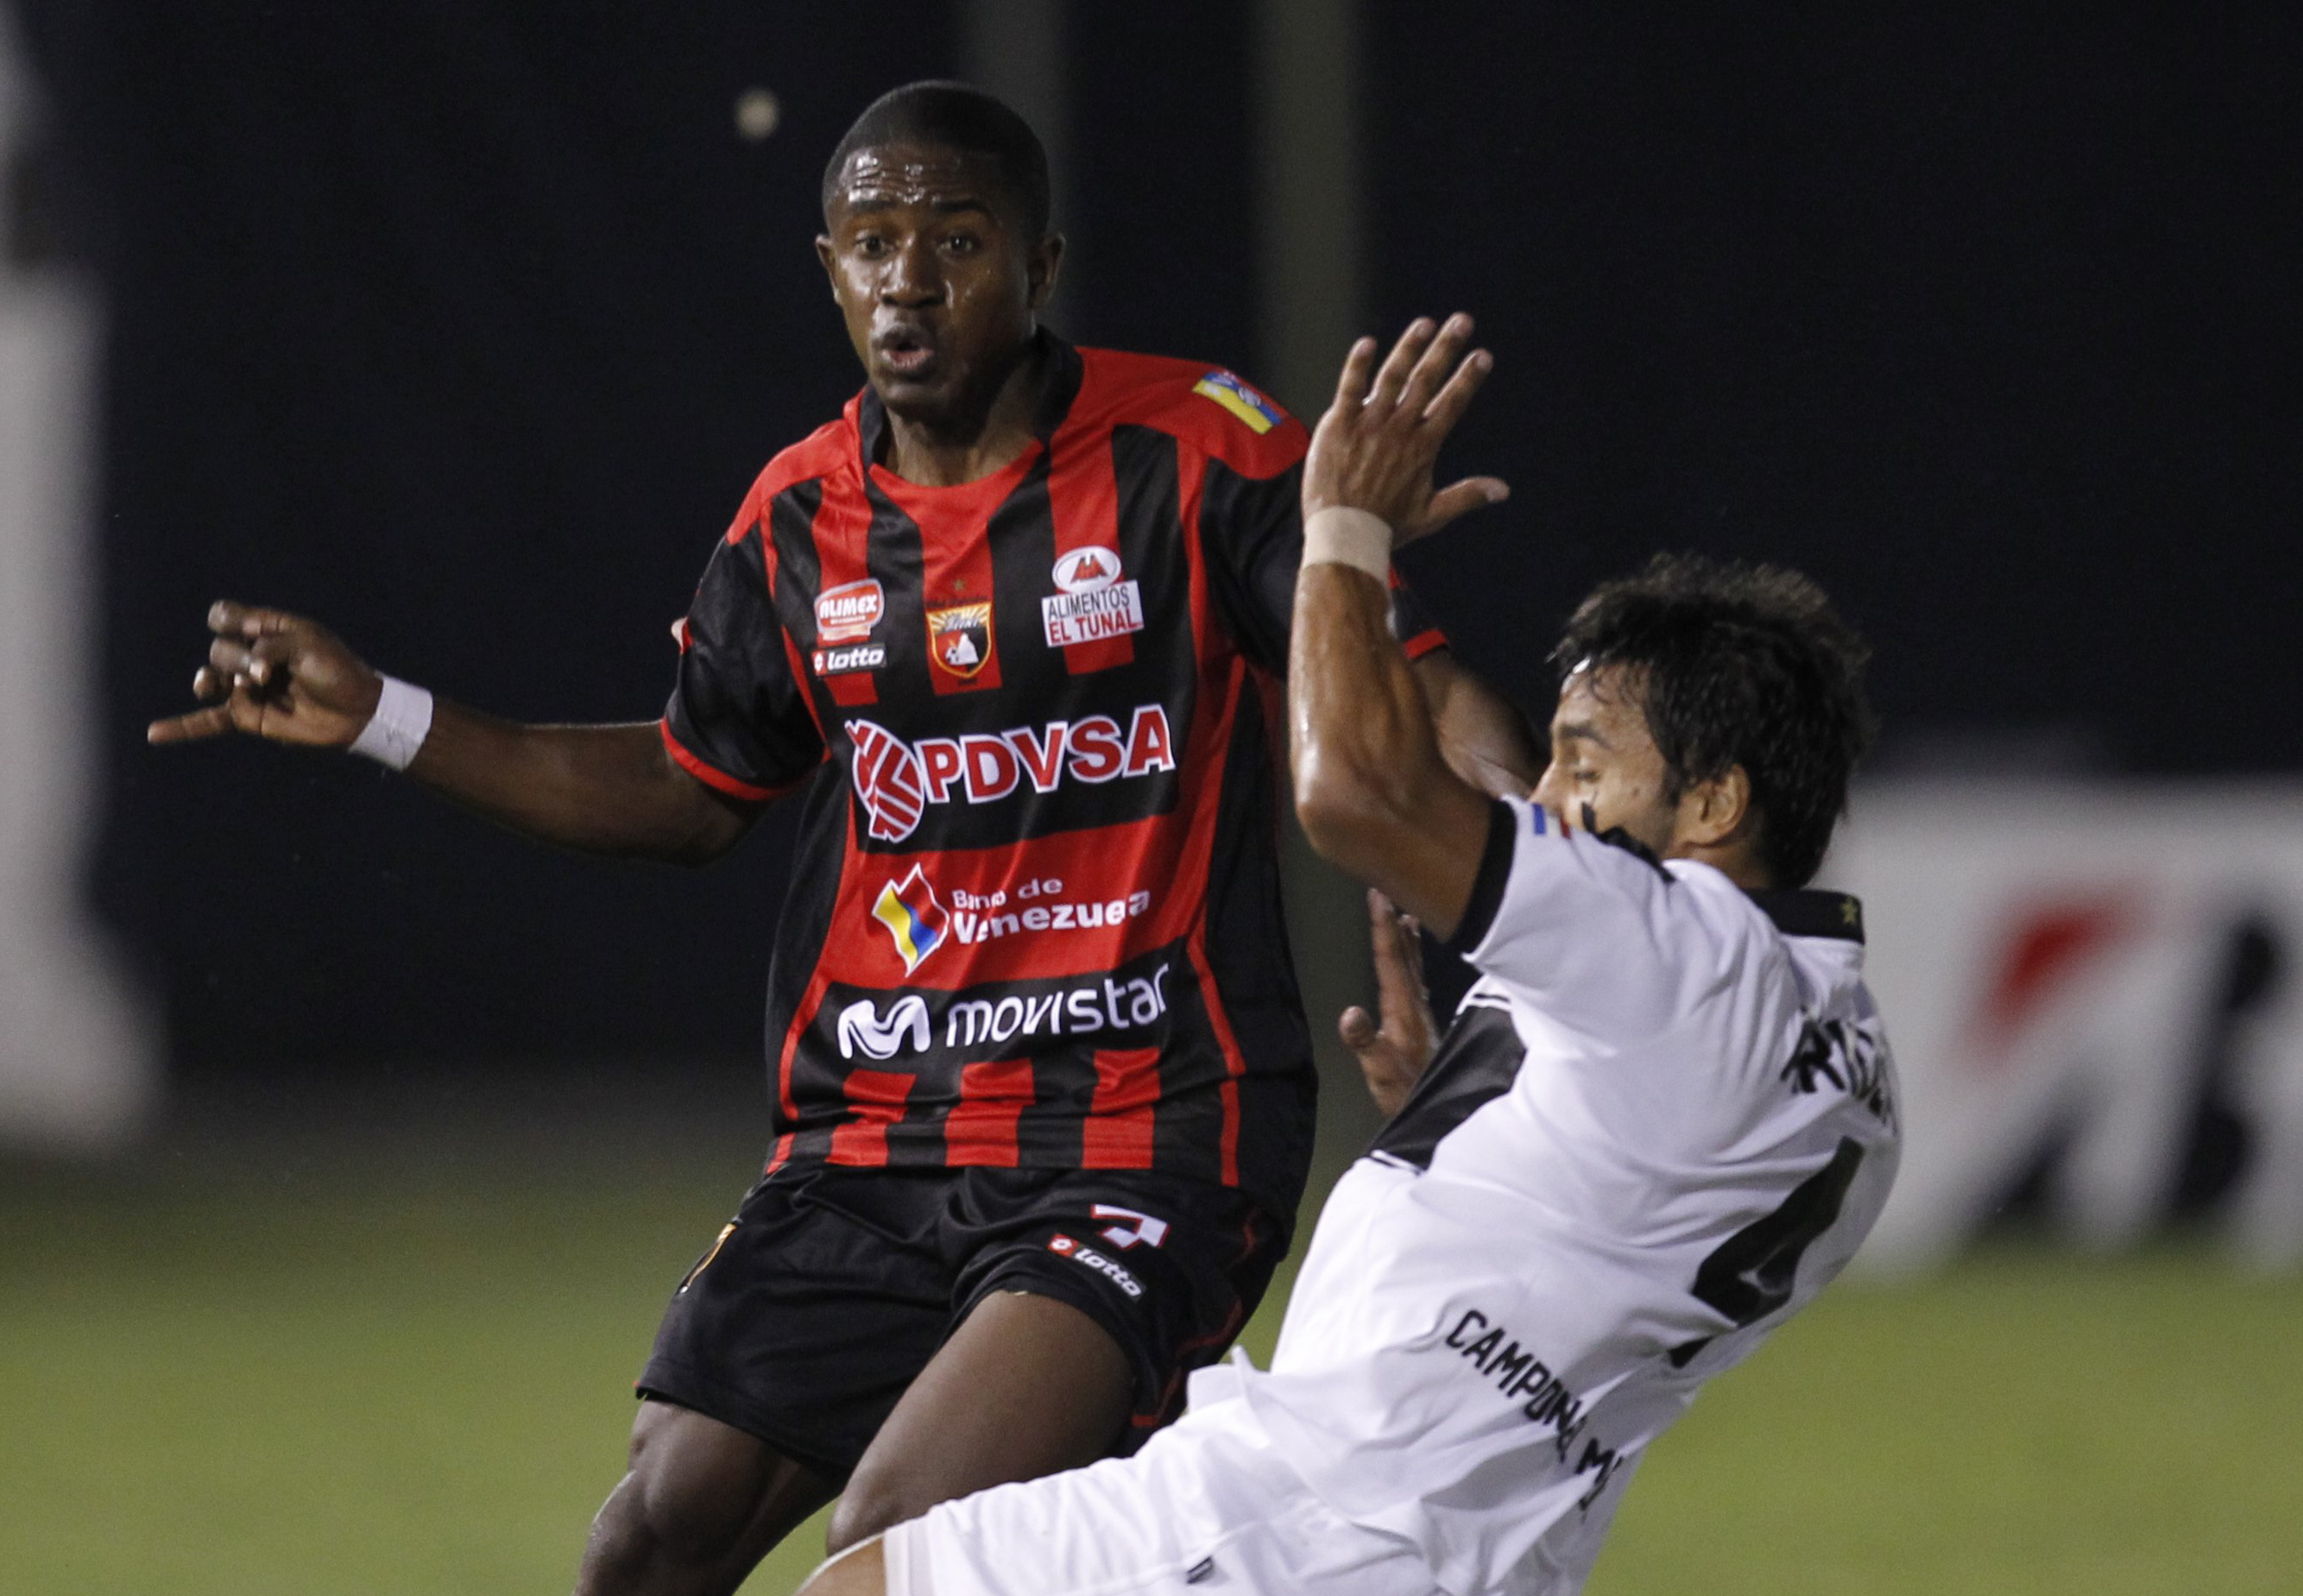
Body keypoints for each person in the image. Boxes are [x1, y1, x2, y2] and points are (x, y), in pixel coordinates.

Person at [148, 85, 1535, 1596]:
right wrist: (383, 714)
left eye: (958, 241)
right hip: (875, 1140)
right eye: (873, 244)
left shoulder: (1200, 449)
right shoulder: (797, 520)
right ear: (829, 270)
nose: (909, 281)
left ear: (1041, 265)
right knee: (652, 1534)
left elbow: (1427, 692)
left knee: (900, 1535)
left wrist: (1559, 888)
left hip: (1148, 1135)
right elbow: (689, 786)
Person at [798, 316, 1894, 1596]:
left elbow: (1354, 795)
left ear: (1713, 804)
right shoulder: (1857, 1071)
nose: (1548, 798)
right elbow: (1633, 1232)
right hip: (1476, 1549)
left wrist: (1338, 530)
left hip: (1319, 1512)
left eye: (1585, 763)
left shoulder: (1681, 951)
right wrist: (1495, 1117)